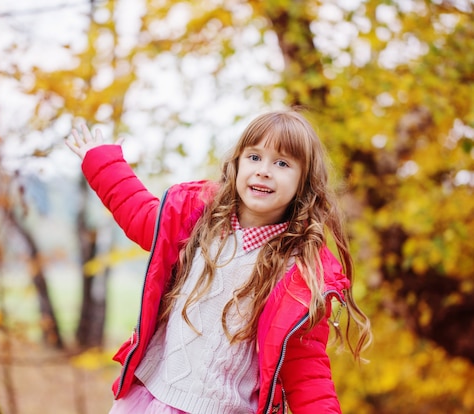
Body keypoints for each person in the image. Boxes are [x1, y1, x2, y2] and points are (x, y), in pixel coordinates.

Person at [65, 109, 372, 414]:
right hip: (152, 398)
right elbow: (140, 213)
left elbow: (307, 372)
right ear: (236, 164)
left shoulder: (301, 274)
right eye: (254, 157)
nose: (264, 170)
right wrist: (102, 161)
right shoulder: (197, 221)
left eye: (282, 163)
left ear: (304, 182)